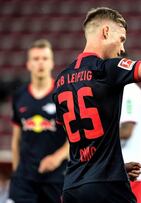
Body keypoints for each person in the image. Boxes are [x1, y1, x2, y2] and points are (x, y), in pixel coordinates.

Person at [53, 7, 141, 203]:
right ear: (106, 31)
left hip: (72, 188)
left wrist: (114, 166)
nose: (122, 48)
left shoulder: (60, 80)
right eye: (122, 39)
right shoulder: (108, 69)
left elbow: (78, 140)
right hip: (107, 187)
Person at [9, 39, 69, 203]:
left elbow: (75, 138)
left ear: (52, 63)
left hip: (55, 179)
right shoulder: (19, 96)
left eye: (44, 58)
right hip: (24, 180)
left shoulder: (62, 95)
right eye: (36, 59)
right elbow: (16, 139)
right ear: (28, 64)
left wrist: (57, 157)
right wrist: (17, 170)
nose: (40, 63)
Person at [120, 83, 141, 203]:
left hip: (132, 172)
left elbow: (126, 130)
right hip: (120, 170)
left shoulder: (129, 90)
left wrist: (98, 136)